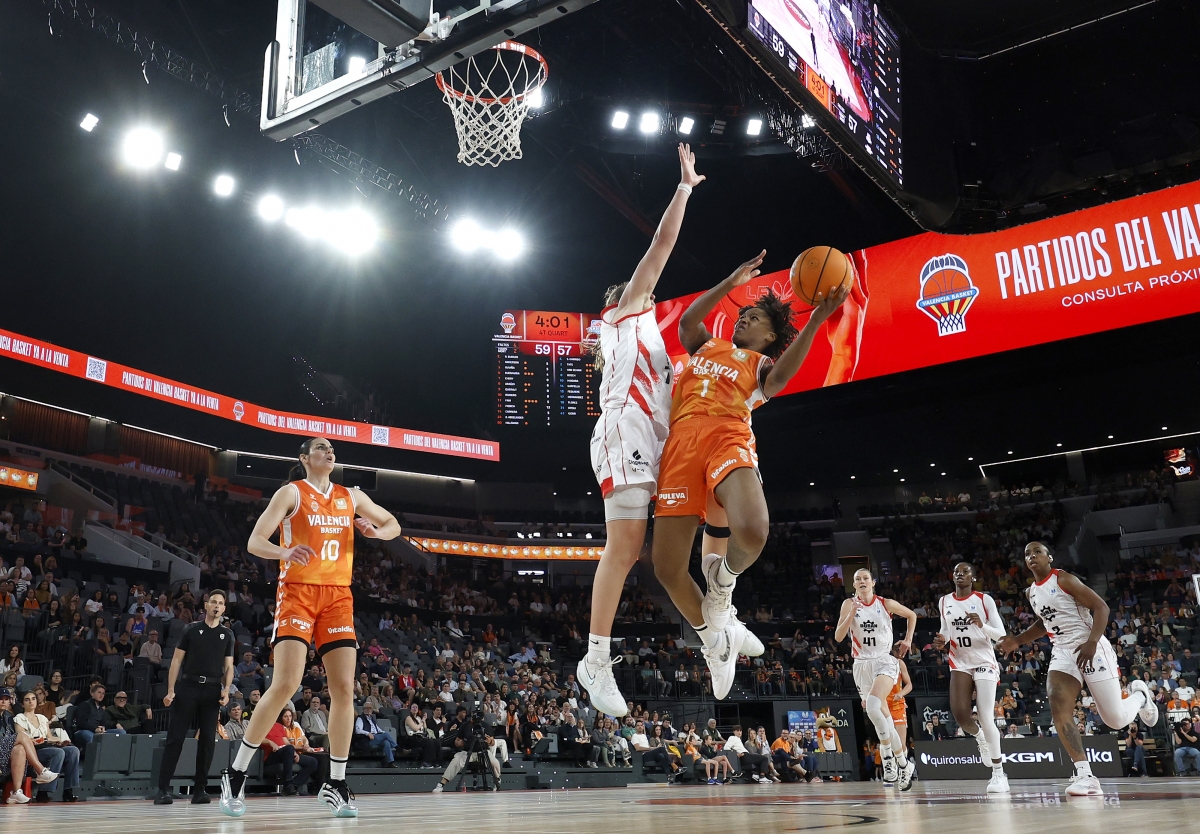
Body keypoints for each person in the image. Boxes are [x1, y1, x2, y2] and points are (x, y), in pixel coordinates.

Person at [650, 250, 850, 699]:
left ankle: (722, 585)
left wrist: (817, 320)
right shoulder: (708, 345)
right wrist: (730, 281)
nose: (743, 320)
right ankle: (716, 640)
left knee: (755, 531)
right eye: (742, 315)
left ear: (771, 335)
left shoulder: (758, 365)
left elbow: (779, 380)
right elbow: (687, 323)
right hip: (680, 443)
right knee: (666, 567)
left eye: (754, 317)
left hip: (727, 435)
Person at [579, 144, 706, 719]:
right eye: (643, 288)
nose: (651, 290)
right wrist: (683, 189)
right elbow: (660, 247)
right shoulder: (625, 314)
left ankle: (718, 620)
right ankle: (595, 660)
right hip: (623, 431)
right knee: (626, 548)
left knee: (672, 537)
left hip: (654, 442)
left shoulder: (655, 344)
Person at [222, 437, 400, 819]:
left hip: (337, 597)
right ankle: (235, 772)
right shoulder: (291, 493)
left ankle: (335, 782)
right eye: (320, 447)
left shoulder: (351, 496)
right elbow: (255, 541)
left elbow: (393, 525)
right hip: (298, 593)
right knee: (286, 684)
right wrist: (284, 551)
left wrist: (375, 532)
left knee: (344, 689)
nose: (329, 451)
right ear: (304, 458)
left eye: (331, 448)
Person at [998, 542, 1158, 796]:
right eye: (1027, 554)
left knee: (1114, 720)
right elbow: (1044, 622)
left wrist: (1092, 642)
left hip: (1089, 644)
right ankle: (1085, 776)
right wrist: (1017, 641)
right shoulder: (1031, 592)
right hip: (1062, 650)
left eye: (1037, 552)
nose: (1032, 556)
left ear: (1049, 557)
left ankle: (1139, 696)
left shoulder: (1064, 579)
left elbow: (1101, 607)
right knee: (1057, 703)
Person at [835, 567, 918, 791]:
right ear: (854, 585)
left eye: (865, 578)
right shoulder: (848, 604)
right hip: (861, 665)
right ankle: (903, 764)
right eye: (857, 579)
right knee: (882, 719)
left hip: (883, 660)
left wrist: (908, 639)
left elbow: (912, 615)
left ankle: (890, 759)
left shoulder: (885, 603)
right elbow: (839, 637)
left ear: (873, 582)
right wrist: (851, 614)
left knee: (873, 705)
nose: (862, 581)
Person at [932, 562, 1009, 794]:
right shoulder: (944, 601)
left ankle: (999, 773)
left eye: (965, 572)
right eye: (956, 571)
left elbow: (1002, 636)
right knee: (960, 715)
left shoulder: (984, 600)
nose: (960, 574)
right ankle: (980, 738)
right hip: (960, 661)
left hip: (984, 661)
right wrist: (941, 641)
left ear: (973, 577)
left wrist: (982, 625)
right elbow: (945, 630)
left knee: (985, 716)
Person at [156, 589, 235, 804]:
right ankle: (163, 789)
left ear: (224, 608)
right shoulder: (190, 629)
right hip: (188, 686)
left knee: (208, 740)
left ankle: (200, 790)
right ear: (206, 605)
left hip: (212, 690)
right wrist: (170, 690)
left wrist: (227, 689)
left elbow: (229, 666)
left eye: (220, 603)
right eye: (213, 602)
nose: (217, 606)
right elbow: (176, 661)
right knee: (176, 737)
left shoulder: (227, 634)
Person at [14, 690, 76, 802]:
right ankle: (43, 792)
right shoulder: (19, 718)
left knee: (73, 750)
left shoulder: (42, 718)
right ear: (22, 704)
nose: (31, 702)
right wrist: (41, 740)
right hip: (32, 750)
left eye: (33, 699)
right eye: (27, 700)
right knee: (58, 753)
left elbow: (49, 736)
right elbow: (21, 739)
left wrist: (58, 741)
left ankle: (69, 790)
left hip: (46, 746)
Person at [0, 689, 58, 804]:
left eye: (6, 699)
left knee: (20, 749)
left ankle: (16, 792)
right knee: (22, 735)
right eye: (1, 699)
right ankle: (40, 770)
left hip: (5, 753)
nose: (3, 702)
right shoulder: (12, 717)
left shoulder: (8, 716)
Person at [432, 708, 501, 793]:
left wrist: (490, 741)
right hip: (468, 752)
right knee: (456, 760)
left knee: (495, 763)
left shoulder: (486, 726)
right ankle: (441, 784)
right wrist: (459, 743)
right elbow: (456, 741)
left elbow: (493, 742)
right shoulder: (465, 726)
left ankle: (497, 781)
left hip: (482, 751)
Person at [263, 708, 319, 795]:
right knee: (288, 749)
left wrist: (294, 752)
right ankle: (288, 782)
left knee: (313, 762)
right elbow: (256, 739)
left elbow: (286, 743)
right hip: (271, 755)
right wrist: (270, 742)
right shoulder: (261, 726)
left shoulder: (279, 726)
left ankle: (292, 786)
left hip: (285, 753)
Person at [69, 682, 126, 747]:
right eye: (99, 692)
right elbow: (82, 722)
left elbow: (105, 722)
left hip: (98, 731)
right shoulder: (85, 705)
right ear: (92, 693)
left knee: (121, 732)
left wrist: (116, 724)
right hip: (83, 731)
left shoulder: (101, 709)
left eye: (103, 693)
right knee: (92, 737)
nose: (101, 695)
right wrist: (95, 728)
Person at [886, 657, 913, 775]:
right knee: (887, 741)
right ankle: (891, 770)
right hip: (883, 705)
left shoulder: (898, 663)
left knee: (901, 742)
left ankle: (904, 769)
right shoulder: (876, 662)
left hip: (897, 705)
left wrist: (901, 693)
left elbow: (909, 685)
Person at [354, 702, 397, 768]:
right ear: (363, 710)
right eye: (367, 708)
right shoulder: (360, 719)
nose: (368, 710)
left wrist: (383, 732)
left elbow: (378, 729)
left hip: (375, 738)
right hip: (367, 739)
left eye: (370, 708)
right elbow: (358, 730)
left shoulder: (372, 719)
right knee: (386, 735)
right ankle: (398, 749)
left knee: (386, 742)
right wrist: (368, 733)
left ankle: (390, 762)